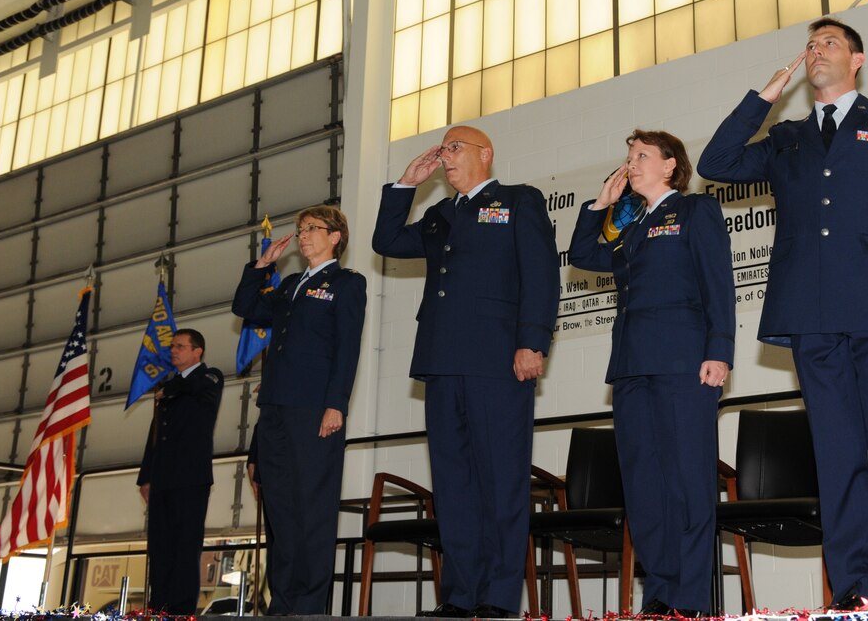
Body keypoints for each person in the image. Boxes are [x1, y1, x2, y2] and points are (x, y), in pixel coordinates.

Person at [698, 17, 868, 607]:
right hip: (810, 314)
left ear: (857, 59)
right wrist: (762, 99)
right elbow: (716, 161)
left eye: (829, 43)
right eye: (810, 44)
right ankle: (855, 592)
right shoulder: (787, 138)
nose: (816, 51)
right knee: (838, 458)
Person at [372, 125, 560, 618]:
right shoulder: (438, 214)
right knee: (453, 485)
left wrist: (532, 341)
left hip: (498, 359)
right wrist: (406, 185)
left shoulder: (518, 201)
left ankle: (498, 597)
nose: (446, 156)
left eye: (455, 147)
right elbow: (387, 239)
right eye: (443, 149)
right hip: (441, 359)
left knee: (501, 480)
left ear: (486, 154)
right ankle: (460, 595)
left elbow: (541, 273)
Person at [568, 130, 735, 618]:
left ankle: (690, 599)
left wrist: (719, 350)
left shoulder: (694, 211)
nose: (631, 162)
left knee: (688, 481)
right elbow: (584, 256)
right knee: (643, 485)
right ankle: (660, 592)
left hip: (684, 362)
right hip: (631, 368)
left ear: (670, 165)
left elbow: (717, 281)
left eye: (642, 155)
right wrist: (601, 205)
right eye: (629, 155)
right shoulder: (633, 227)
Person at [231, 204, 366, 615]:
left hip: (314, 411)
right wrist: (261, 266)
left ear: (335, 236)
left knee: (313, 509)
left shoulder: (346, 283)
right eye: (301, 229)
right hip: (274, 410)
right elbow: (245, 308)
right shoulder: (289, 285)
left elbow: (347, 348)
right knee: (281, 511)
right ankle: (283, 602)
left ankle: (309, 606)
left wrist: (335, 405)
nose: (303, 235)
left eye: (312, 228)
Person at [137, 328, 224, 615]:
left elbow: (195, 389)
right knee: (160, 545)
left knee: (185, 543)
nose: (173, 351)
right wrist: (146, 476)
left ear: (197, 351)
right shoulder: (169, 385)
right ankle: (158, 606)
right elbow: (155, 432)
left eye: (181, 346)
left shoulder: (209, 377)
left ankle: (180, 608)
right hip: (162, 476)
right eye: (172, 346)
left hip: (190, 477)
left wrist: (172, 388)